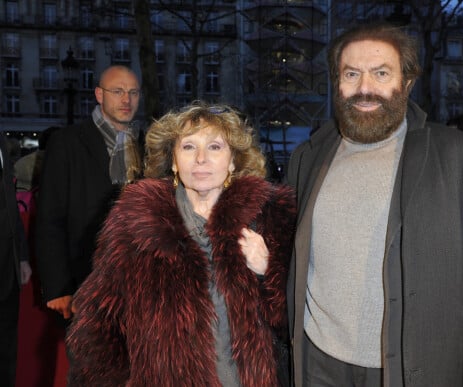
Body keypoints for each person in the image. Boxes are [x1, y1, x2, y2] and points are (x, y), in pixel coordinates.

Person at [286, 23, 463, 386]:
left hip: (411, 370)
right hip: (316, 362)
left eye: (381, 73)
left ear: (406, 83)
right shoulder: (306, 157)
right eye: (351, 74)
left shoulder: (462, 159)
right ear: (336, 83)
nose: (365, 88)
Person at [65, 101, 296, 386]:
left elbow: (295, 327)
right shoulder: (135, 226)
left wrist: (268, 271)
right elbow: (98, 327)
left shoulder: (270, 219)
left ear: (233, 160)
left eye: (215, 147)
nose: (201, 159)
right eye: (188, 147)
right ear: (174, 160)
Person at [35, 65, 143, 322]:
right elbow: (50, 219)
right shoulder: (67, 142)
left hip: (138, 286)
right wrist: (58, 287)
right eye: (117, 91)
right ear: (99, 94)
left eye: (133, 92)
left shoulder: (146, 143)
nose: (126, 99)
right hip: (85, 280)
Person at [0, 132, 32, 387]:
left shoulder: (0, 139)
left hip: (7, 263)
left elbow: (9, 201)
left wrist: (21, 255)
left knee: (7, 346)